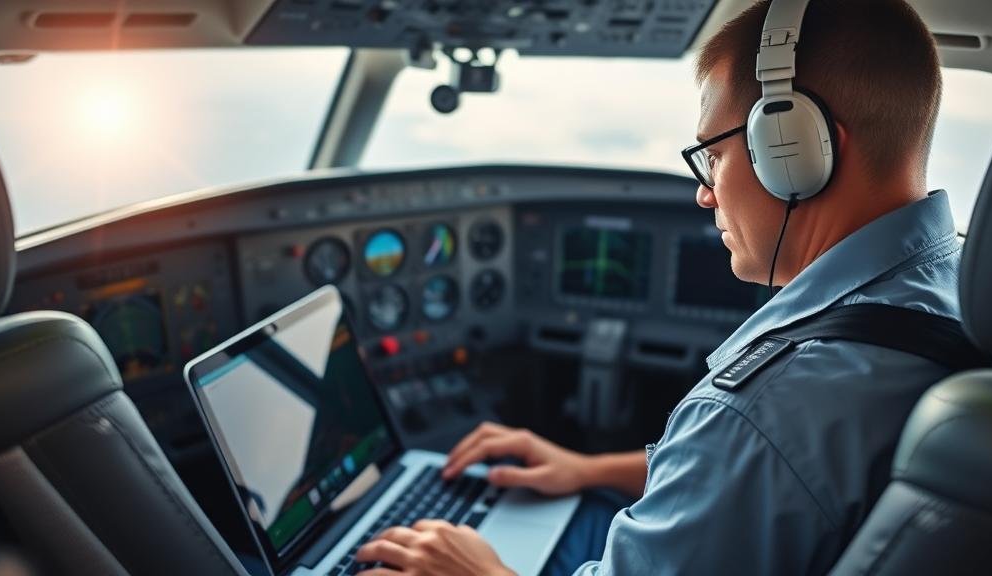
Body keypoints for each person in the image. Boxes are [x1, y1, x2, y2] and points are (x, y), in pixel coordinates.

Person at [355, 0, 954, 573]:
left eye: (712, 156)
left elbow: (756, 458)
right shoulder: (953, 287)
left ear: (793, 149)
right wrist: (588, 468)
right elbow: (755, 485)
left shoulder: (769, 409)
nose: (704, 191)